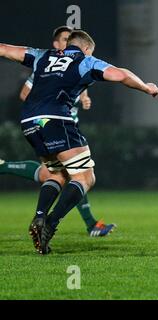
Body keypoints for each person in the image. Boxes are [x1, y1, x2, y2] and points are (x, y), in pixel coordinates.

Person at [0, 30, 158, 254]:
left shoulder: (42, 55)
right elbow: (120, 74)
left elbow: (6, 49)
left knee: (56, 174)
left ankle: (39, 217)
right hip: (56, 120)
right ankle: (50, 224)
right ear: (86, 48)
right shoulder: (86, 60)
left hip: (29, 122)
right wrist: (146, 87)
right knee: (85, 176)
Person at [0, 26, 115, 238]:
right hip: (53, 124)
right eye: (64, 39)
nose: (67, 42)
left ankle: (45, 218)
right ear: (56, 43)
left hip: (52, 123)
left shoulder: (73, 66)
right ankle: (63, 223)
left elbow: (75, 90)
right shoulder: (45, 65)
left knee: (58, 174)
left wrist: (82, 99)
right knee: (77, 174)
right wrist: (49, 110)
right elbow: (26, 93)